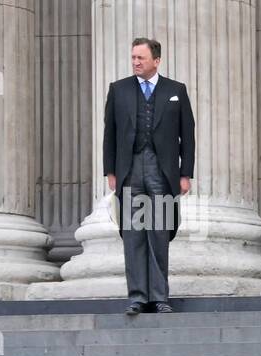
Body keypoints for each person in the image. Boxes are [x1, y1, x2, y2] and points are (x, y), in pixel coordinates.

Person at [102, 37, 195, 315]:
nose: (135, 62)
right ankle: (137, 297)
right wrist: (110, 171)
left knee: (158, 232)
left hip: (162, 171)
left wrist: (185, 174)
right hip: (130, 170)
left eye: (140, 58)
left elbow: (187, 136)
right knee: (133, 234)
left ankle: (159, 297)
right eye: (133, 57)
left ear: (157, 60)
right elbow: (111, 133)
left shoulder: (176, 90)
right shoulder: (118, 90)